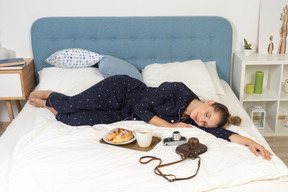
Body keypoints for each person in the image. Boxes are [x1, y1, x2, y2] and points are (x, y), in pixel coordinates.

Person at [29, 75, 272, 160]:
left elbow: (220, 133)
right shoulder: (178, 88)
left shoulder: (189, 121)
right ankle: (46, 94)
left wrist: (251, 142)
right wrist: (168, 125)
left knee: (69, 119)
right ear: (208, 102)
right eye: (206, 114)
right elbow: (142, 108)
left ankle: (52, 108)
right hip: (121, 90)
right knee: (72, 104)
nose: (201, 120)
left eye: (204, 122)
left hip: (121, 113)